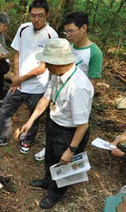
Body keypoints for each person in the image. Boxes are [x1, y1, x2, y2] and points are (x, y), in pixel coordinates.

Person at [21, 38, 94, 209]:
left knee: (63, 164)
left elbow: (82, 125)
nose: (45, 66)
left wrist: (71, 149)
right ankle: (47, 180)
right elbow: (46, 99)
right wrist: (30, 121)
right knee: (50, 157)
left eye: (47, 62)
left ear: (58, 62)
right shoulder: (57, 75)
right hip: (54, 123)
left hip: (70, 132)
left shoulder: (79, 87)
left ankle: (55, 194)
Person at [0, 0, 58, 154]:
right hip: (19, 84)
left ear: (47, 15)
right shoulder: (23, 29)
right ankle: (1, 138)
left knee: (34, 115)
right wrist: (16, 79)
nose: (36, 19)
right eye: (33, 15)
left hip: (38, 86)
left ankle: (27, 140)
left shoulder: (52, 35)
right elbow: (17, 53)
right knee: (5, 110)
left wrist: (20, 79)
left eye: (40, 16)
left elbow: (43, 67)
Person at [34, 11, 103, 161]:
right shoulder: (68, 47)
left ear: (84, 28)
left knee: (65, 142)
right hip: (60, 97)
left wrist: (76, 98)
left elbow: (90, 85)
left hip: (75, 99)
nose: (68, 35)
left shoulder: (94, 52)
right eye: (66, 31)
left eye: (71, 31)